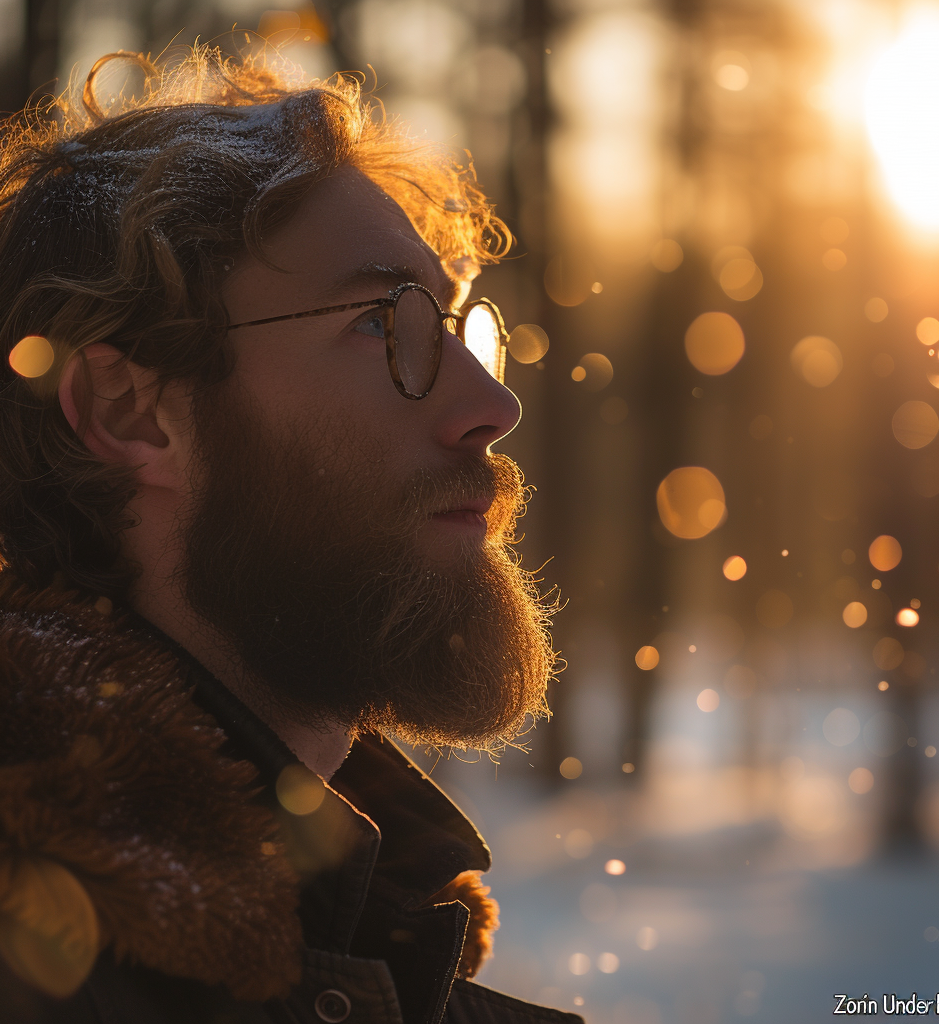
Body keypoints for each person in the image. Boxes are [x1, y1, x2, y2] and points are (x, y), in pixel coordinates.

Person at [0, 45, 576, 1024]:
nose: (490, 405)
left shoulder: (385, 959)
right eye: (380, 323)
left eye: (452, 325)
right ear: (131, 411)